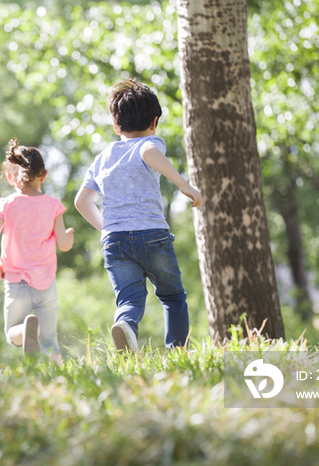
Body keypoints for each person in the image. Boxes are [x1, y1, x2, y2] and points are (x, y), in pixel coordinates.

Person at [75, 79, 202, 353]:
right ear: (154, 121)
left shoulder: (103, 156)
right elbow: (148, 151)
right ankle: (178, 350)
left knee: (130, 299)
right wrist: (184, 185)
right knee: (172, 296)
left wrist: (106, 229)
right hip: (152, 235)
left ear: (116, 126)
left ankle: (126, 326)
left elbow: (82, 201)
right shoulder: (149, 143)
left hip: (114, 241)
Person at [0, 139, 74, 362]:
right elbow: (63, 245)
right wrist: (69, 237)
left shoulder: (7, 204)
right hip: (45, 282)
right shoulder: (53, 205)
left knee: (12, 333)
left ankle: (25, 332)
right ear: (43, 175)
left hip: (15, 281)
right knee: (50, 339)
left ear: (11, 178)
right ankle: (59, 376)